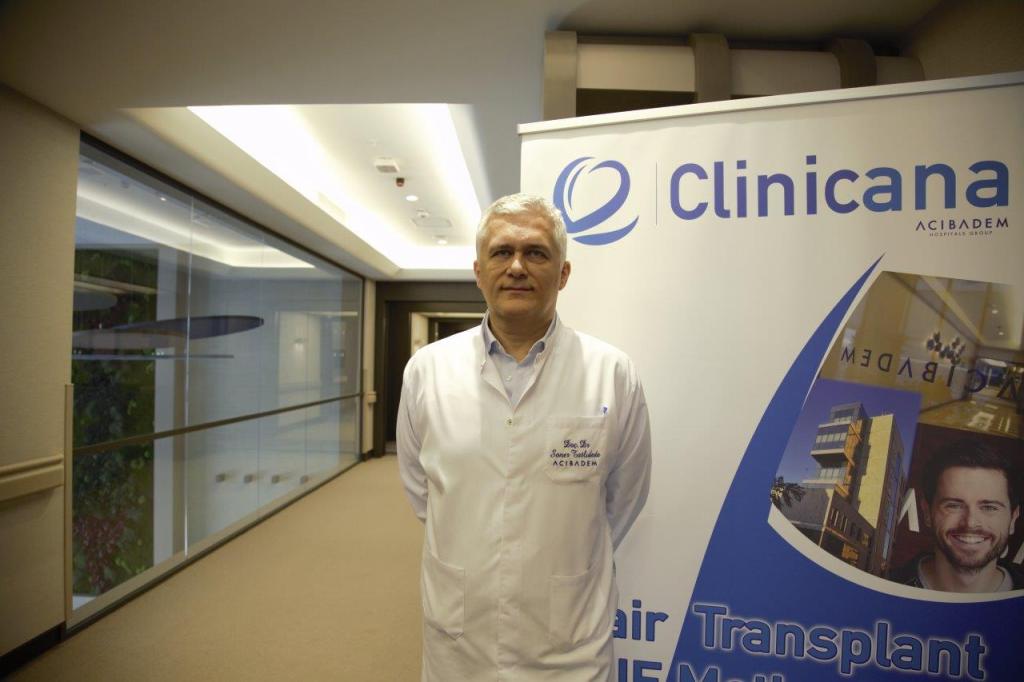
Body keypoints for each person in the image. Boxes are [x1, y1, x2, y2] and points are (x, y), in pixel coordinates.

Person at [397, 193, 652, 680]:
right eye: (501, 252)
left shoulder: (612, 374)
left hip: (569, 642)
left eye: (536, 252)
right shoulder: (427, 371)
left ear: (563, 273)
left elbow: (625, 498)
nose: (517, 266)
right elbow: (422, 493)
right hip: (460, 637)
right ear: (479, 271)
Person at [893, 439, 1023, 592]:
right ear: (927, 512)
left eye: (989, 507)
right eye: (953, 506)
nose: (970, 523)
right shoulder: (885, 588)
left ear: (1013, 518)